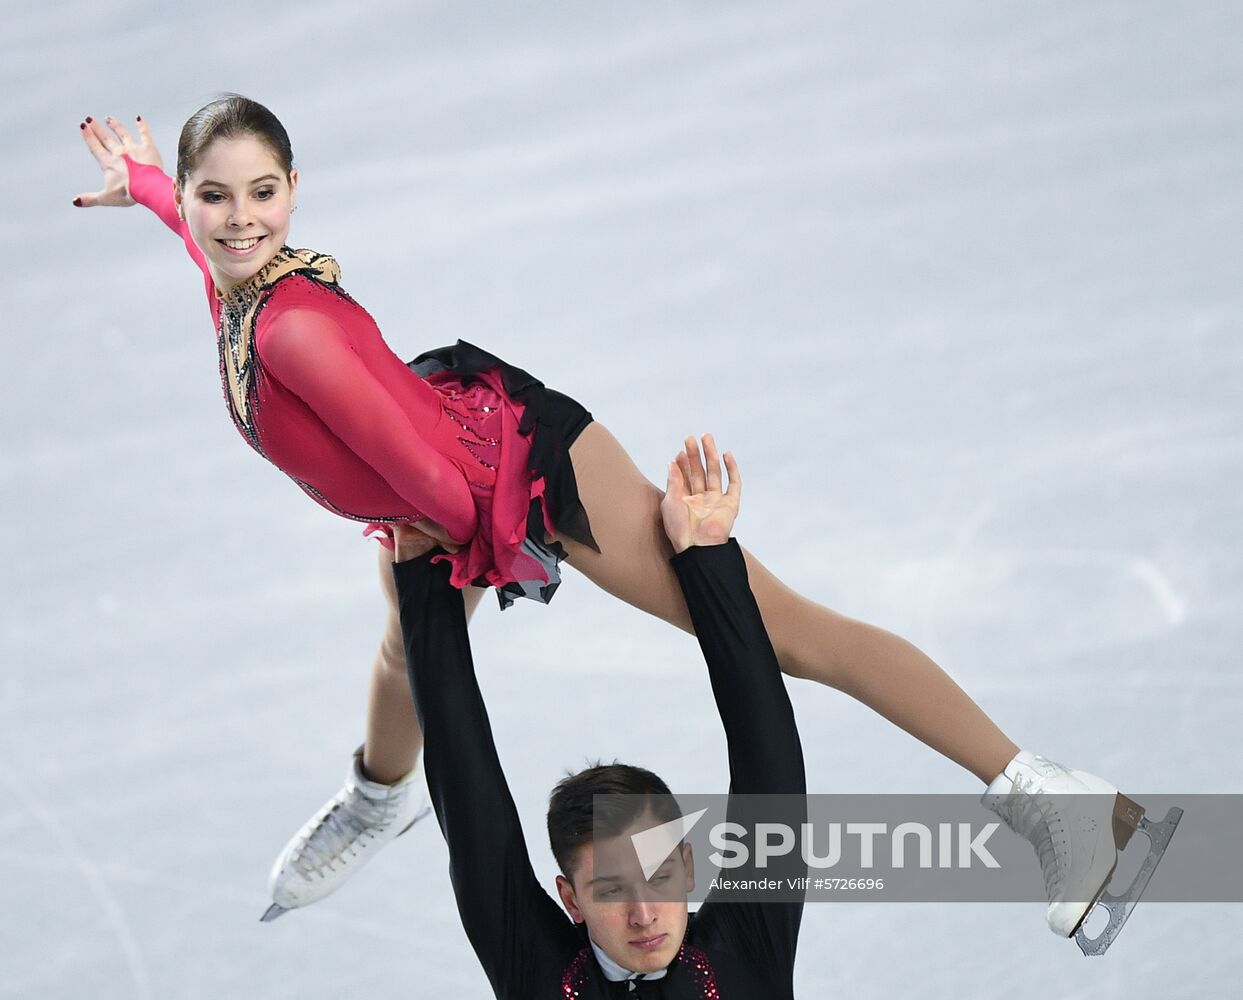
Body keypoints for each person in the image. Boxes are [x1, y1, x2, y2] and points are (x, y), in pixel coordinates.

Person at [73, 97, 1171, 949]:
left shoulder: (289, 335)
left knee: (779, 628)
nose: (237, 219)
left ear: (295, 190)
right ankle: (377, 795)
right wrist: (144, 191)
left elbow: (449, 491)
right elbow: (205, 241)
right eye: (212, 198)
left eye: (260, 194)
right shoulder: (236, 275)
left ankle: (1054, 804)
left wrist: (462, 545)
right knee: (403, 643)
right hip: (457, 435)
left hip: (519, 467)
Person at [391, 436, 805, 997]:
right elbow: (467, 794)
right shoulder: (532, 965)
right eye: (611, 889)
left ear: (685, 868)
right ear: (572, 901)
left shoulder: (748, 950)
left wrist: (707, 556)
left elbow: (769, 757)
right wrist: (423, 576)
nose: (643, 914)